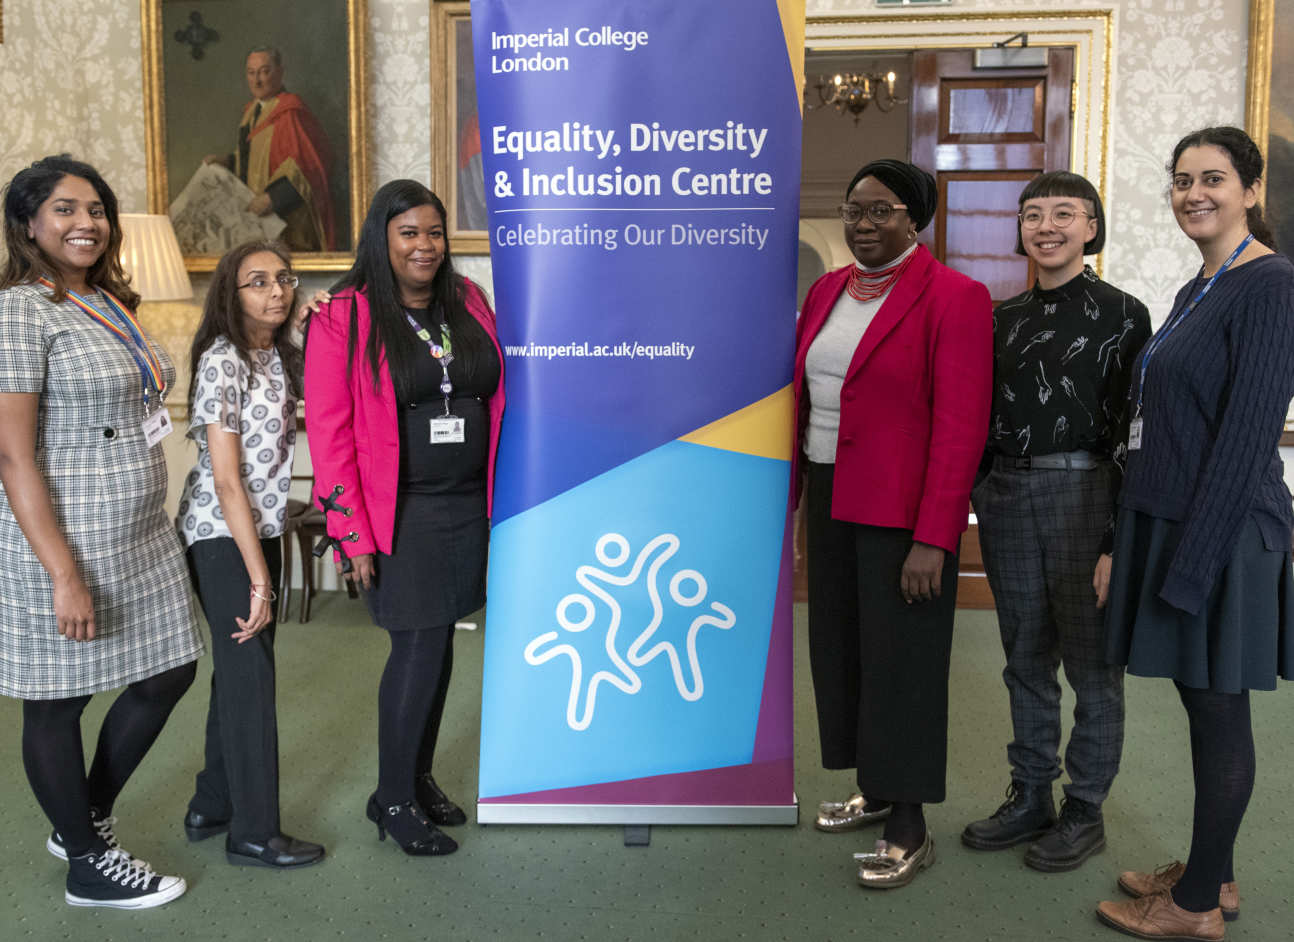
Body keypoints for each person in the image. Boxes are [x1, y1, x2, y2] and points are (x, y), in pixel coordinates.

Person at [1096, 126, 1294, 941]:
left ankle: (1195, 907)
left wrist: (1193, 564)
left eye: (1212, 178)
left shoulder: (1271, 283)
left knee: (1218, 713)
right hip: (1171, 518)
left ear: (1250, 190)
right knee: (1203, 704)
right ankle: (1219, 872)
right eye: (1180, 181)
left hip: (1221, 531)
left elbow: (1249, 437)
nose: (1193, 194)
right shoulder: (1198, 289)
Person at [0, 155, 203, 908]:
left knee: (170, 669)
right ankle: (88, 861)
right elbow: (13, 454)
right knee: (56, 699)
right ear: (28, 224)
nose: (85, 223)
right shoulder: (22, 310)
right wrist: (62, 571)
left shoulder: (108, 299)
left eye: (95, 209)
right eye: (63, 209)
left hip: (139, 533)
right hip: (64, 537)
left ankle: (78, 818)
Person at [794, 159, 992, 888]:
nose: (864, 225)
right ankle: (875, 788)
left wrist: (935, 536)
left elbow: (960, 425)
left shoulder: (955, 298)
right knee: (842, 647)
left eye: (881, 212)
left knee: (902, 660)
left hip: (902, 513)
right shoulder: (824, 291)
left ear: (915, 219)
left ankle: (909, 819)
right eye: (854, 210)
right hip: (829, 493)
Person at [304, 180, 505, 856]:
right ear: (381, 240)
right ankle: (390, 800)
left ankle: (414, 778)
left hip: (469, 503)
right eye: (409, 233)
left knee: (440, 641)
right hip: (403, 513)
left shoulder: (468, 303)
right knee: (416, 647)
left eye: (434, 232)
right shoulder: (343, 318)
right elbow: (329, 438)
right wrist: (350, 537)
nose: (425, 246)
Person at [961, 172, 1151, 872]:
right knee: (1024, 658)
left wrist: (1115, 537)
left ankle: (1084, 809)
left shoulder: (1125, 314)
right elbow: (980, 415)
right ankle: (1031, 793)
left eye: (1064, 214)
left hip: (1087, 497)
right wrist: (981, 487)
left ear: (1091, 227)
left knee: (1093, 665)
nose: (1047, 226)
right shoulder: (998, 318)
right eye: (1033, 214)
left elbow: (1136, 429)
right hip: (1008, 497)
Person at [175, 240, 324, 869]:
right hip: (219, 531)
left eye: (283, 279)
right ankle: (255, 832)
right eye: (257, 281)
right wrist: (262, 580)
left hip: (257, 527)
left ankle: (213, 803)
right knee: (253, 680)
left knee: (240, 673)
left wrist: (325, 324)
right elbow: (228, 479)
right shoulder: (222, 360)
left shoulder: (278, 357)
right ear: (230, 296)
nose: (276, 290)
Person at [205, 46, 334, 252]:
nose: (257, 80)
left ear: (280, 72)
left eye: (264, 72)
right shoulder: (251, 112)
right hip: (255, 219)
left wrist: (273, 198)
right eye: (251, 73)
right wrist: (227, 161)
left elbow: (307, 167)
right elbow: (252, 158)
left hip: (287, 221)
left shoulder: (290, 112)